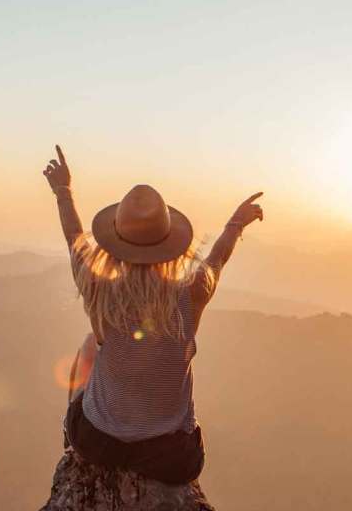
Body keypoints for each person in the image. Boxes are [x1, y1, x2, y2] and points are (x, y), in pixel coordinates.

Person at [42, 145, 263, 485]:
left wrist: (63, 191)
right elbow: (218, 257)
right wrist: (236, 223)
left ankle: (69, 440)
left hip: (97, 444)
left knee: (90, 345)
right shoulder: (193, 293)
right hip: (170, 458)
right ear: (171, 243)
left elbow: (74, 239)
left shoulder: (101, 293)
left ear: (114, 243)